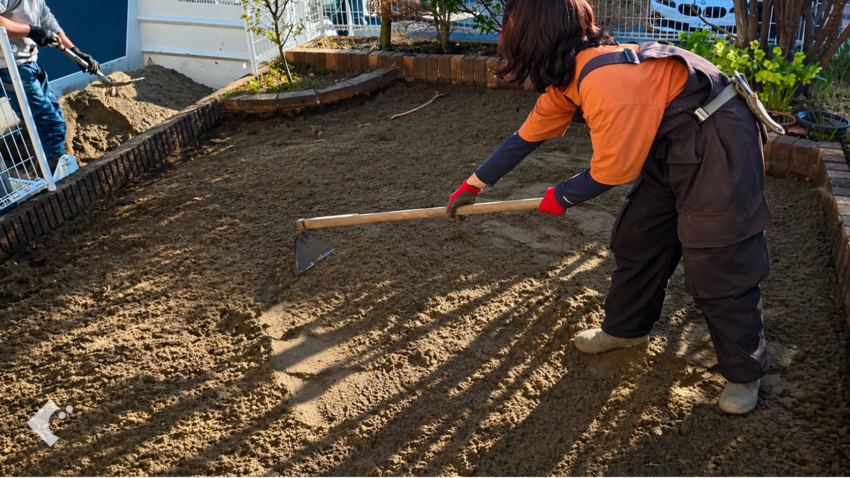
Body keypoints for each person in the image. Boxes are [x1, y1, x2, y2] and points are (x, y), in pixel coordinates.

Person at [446, 0, 773, 414]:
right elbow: (524, 138)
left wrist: (561, 196)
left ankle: (745, 373)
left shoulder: (604, 82)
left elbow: (612, 171)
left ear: (533, 41)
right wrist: (473, 185)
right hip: (673, 145)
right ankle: (626, 330)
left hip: (719, 142)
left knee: (719, 257)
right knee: (639, 238)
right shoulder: (572, 77)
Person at [0, 0, 99, 178]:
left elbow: (48, 22)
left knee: (52, 114)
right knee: (48, 121)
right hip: (10, 66)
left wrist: (76, 52)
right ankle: (55, 178)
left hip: (27, 63)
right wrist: (31, 30)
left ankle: (48, 171)